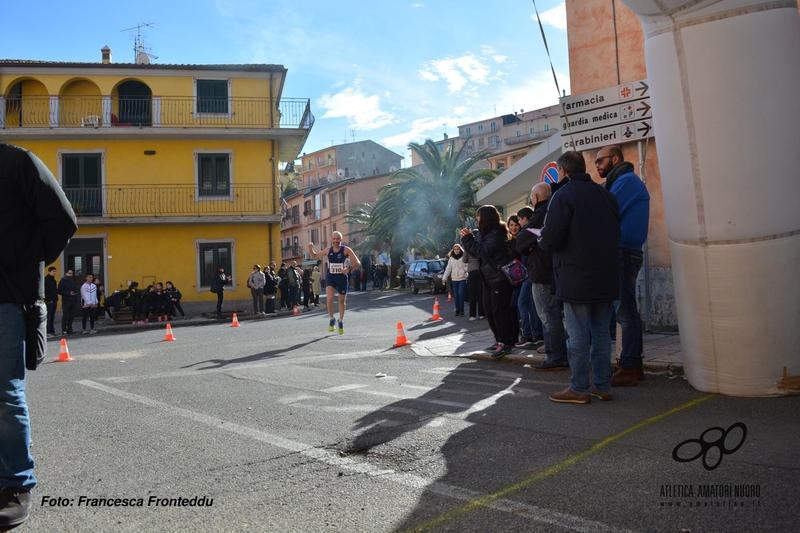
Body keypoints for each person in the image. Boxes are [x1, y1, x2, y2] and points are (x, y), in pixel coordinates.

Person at [0, 141, 77, 527]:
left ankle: (15, 483)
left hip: (8, 300)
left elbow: (63, 221)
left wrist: (26, 265)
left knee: (4, 394)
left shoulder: (18, 161)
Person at [539, 151, 620, 404]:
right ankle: (603, 386)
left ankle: (579, 388)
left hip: (576, 276)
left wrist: (541, 238)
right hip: (606, 274)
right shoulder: (606, 194)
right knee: (602, 334)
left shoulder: (563, 195)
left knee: (578, 335)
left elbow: (552, 238)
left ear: (562, 171)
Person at [595, 145, 651, 387]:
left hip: (623, 252)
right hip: (622, 252)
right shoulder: (618, 181)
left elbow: (606, 210)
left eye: (600, 160)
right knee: (626, 310)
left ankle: (628, 366)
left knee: (625, 312)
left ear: (615, 159)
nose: (597, 164)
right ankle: (633, 365)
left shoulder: (626, 180)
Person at [517, 183, 570, 371]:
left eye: (532, 196)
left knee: (548, 316)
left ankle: (556, 356)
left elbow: (521, 240)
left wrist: (528, 244)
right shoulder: (556, 210)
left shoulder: (539, 214)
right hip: (554, 269)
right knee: (552, 314)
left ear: (537, 198)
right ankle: (559, 354)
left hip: (541, 271)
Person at [460, 206, 515, 358]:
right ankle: (498, 339)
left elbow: (484, 251)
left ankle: (506, 342)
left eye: (478, 216)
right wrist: (467, 239)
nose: (476, 219)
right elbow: (475, 253)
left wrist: (469, 239)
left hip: (499, 277)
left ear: (485, 217)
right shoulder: (482, 234)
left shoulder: (496, 234)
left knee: (499, 311)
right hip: (488, 278)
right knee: (489, 310)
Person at [307, 231, 361, 335]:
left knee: (341, 301)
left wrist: (349, 268)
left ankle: (340, 320)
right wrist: (310, 248)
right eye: (334, 239)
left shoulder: (346, 250)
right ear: (331, 239)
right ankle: (331, 318)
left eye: (338, 239)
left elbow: (357, 262)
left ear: (341, 240)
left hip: (342, 277)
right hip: (331, 277)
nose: (336, 241)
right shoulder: (328, 250)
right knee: (330, 298)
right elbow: (314, 256)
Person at [514, 207, 543, 349]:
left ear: (525, 219)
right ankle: (536, 333)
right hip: (530, 272)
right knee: (532, 304)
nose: (518, 223)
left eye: (519, 220)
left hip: (530, 273)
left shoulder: (528, 232)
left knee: (523, 302)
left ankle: (528, 334)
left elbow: (524, 250)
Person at [506, 215, 523, 344]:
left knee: (520, 305)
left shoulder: (523, 239)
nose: (513, 228)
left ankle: (526, 333)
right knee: (511, 307)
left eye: (516, 225)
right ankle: (514, 335)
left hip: (524, 277)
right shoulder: (506, 242)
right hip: (510, 279)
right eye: (511, 225)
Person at [442, 244, 468, 316]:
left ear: (460, 250)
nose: (456, 251)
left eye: (458, 249)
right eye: (455, 249)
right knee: (456, 295)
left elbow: (468, 265)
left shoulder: (464, 256)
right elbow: (448, 269)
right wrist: (444, 278)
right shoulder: (451, 259)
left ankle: (462, 309)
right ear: (453, 250)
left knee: (460, 293)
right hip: (454, 279)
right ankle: (458, 309)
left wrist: (464, 270)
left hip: (462, 278)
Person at [463, 246, 485, 321]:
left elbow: (464, 260)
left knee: (472, 295)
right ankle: (482, 314)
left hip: (472, 272)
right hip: (480, 271)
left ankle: (472, 315)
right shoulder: (479, 247)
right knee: (480, 294)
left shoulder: (467, 248)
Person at [57, 268, 78, 335]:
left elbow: (74, 289)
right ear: (66, 273)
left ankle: (70, 329)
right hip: (66, 300)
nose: (70, 275)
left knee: (71, 316)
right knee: (66, 316)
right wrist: (68, 293)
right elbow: (59, 291)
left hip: (73, 300)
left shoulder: (72, 281)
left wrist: (75, 297)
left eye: (71, 273)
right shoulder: (62, 281)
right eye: (69, 273)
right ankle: (64, 329)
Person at [44, 266, 58, 337]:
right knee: (48, 317)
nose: (54, 273)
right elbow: (45, 291)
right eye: (53, 271)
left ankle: (52, 331)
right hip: (49, 301)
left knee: (52, 317)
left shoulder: (53, 280)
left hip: (54, 300)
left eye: (55, 271)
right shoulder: (46, 280)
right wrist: (49, 300)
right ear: (49, 272)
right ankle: (47, 332)